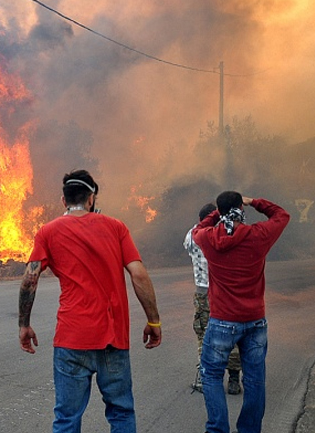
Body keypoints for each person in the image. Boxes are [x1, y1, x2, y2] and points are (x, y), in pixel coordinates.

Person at [18, 169, 162, 433]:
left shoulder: (48, 232)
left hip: (72, 339)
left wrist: (24, 324)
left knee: (67, 419)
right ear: (91, 198)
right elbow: (139, 274)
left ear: (63, 201)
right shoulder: (116, 227)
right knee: (121, 413)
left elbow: (30, 279)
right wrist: (153, 320)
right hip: (113, 339)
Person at [193, 192, 289, 433]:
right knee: (255, 379)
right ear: (241, 209)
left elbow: (197, 229)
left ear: (220, 211)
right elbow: (281, 215)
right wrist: (254, 201)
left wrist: (217, 212)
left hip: (222, 321)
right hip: (255, 321)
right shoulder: (258, 235)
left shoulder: (207, 238)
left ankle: (217, 428)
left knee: (212, 375)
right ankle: (249, 429)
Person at [184, 203, 242, 394]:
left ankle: (204, 379)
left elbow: (189, 243)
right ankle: (234, 380)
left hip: (204, 293)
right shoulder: (227, 235)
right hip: (227, 293)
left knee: (204, 334)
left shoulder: (194, 236)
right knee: (232, 334)